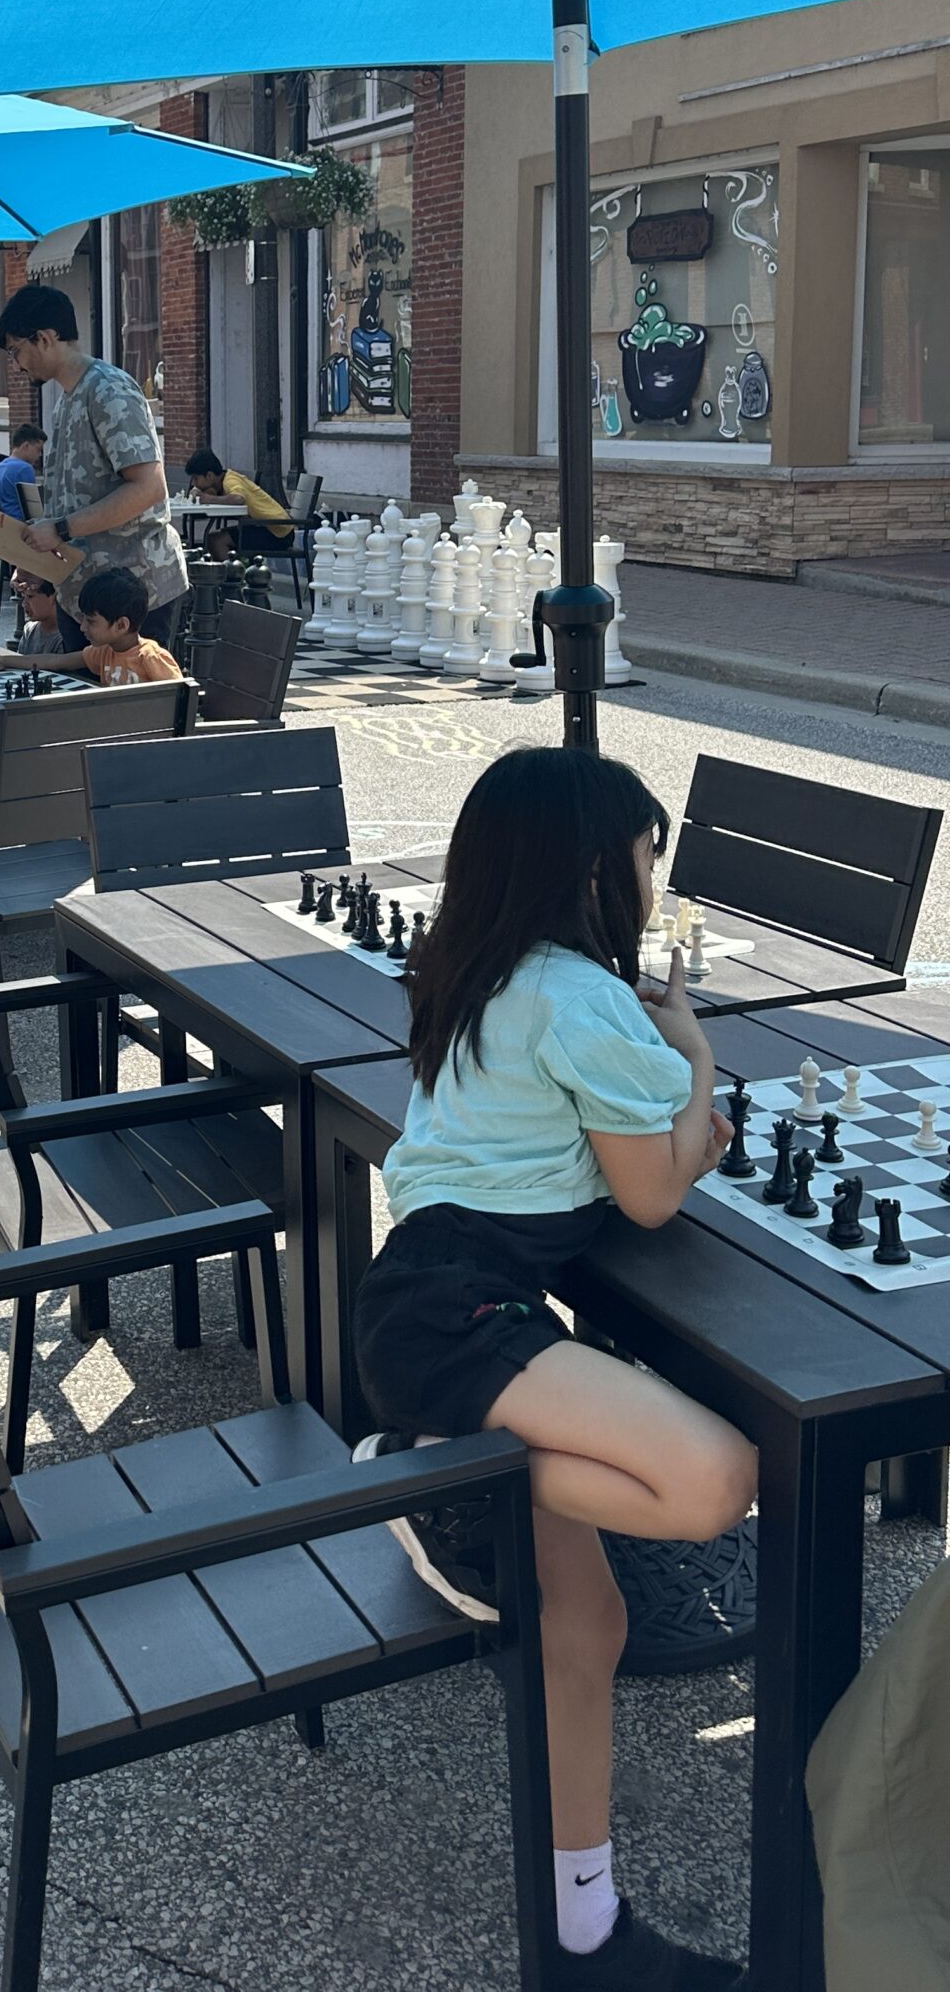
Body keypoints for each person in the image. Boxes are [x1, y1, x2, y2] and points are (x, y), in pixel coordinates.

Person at [350, 748, 755, 1992]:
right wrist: (689, 1063)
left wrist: (669, 1110)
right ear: (596, 868)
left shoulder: (480, 973)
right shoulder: (581, 998)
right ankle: (447, 1478)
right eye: (645, 852)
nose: (648, 874)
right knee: (714, 1479)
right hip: (467, 1313)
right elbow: (649, 1194)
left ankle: (583, 1928)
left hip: (426, 1295)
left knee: (590, 1621)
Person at [0, 281, 186, 650]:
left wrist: (61, 529)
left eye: (15, 350)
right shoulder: (66, 400)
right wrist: (38, 552)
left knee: (125, 708)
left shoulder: (109, 390)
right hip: (84, 595)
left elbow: (149, 487)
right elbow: (74, 500)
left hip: (131, 598)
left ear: (46, 338)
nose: (15, 364)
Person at [0, 562, 180, 682]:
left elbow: (180, 698)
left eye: (91, 621)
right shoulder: (103, 653)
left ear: (122, 625)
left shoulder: (151, 657)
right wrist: (3, 660)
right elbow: (55, 661)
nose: (82, 627)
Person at [184, 444, 295, 560]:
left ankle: (230, 576)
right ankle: (230, 571)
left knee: (216, 540)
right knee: (213, 537)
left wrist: (209, 499)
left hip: (276, 531)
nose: (194, 483)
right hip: (264, 527)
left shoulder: (230, 481)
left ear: (209, 475)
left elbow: (238, 498)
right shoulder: (223, 480)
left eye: (196, 478)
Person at [0, 421, 45, 519]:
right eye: (38, 449)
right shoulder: (24, 469)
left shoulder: (0, 466)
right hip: (19, 523)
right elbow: (32, 508)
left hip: (1, 522)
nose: (40, 454)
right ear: (26, 446)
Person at [8, 568, 68, 657]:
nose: (24, 604)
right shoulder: (29, 629)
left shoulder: (65, 637)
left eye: (30, 596)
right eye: (23, 597)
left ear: (54, 597)